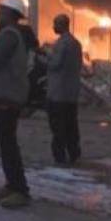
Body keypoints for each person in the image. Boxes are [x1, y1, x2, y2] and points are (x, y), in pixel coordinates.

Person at [0, 0, 31, 209]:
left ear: (11, 15)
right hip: (6, 96)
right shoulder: (9, 34)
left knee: (9, 145)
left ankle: (20, 190)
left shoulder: (9, 35)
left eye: (1, 11)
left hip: (8, 97)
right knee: (6, 144)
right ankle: (11, 185)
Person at [46, 14, 83, 165]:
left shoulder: (61, 44)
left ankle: (59, 156)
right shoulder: (76, 43)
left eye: (55, 24)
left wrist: (46, 56)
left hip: (58, 93)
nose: (53, 27)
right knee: (71, 125)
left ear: (62, 25)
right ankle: (74, 153)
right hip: (72, 93)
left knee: (58, 126)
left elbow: (55, 64)